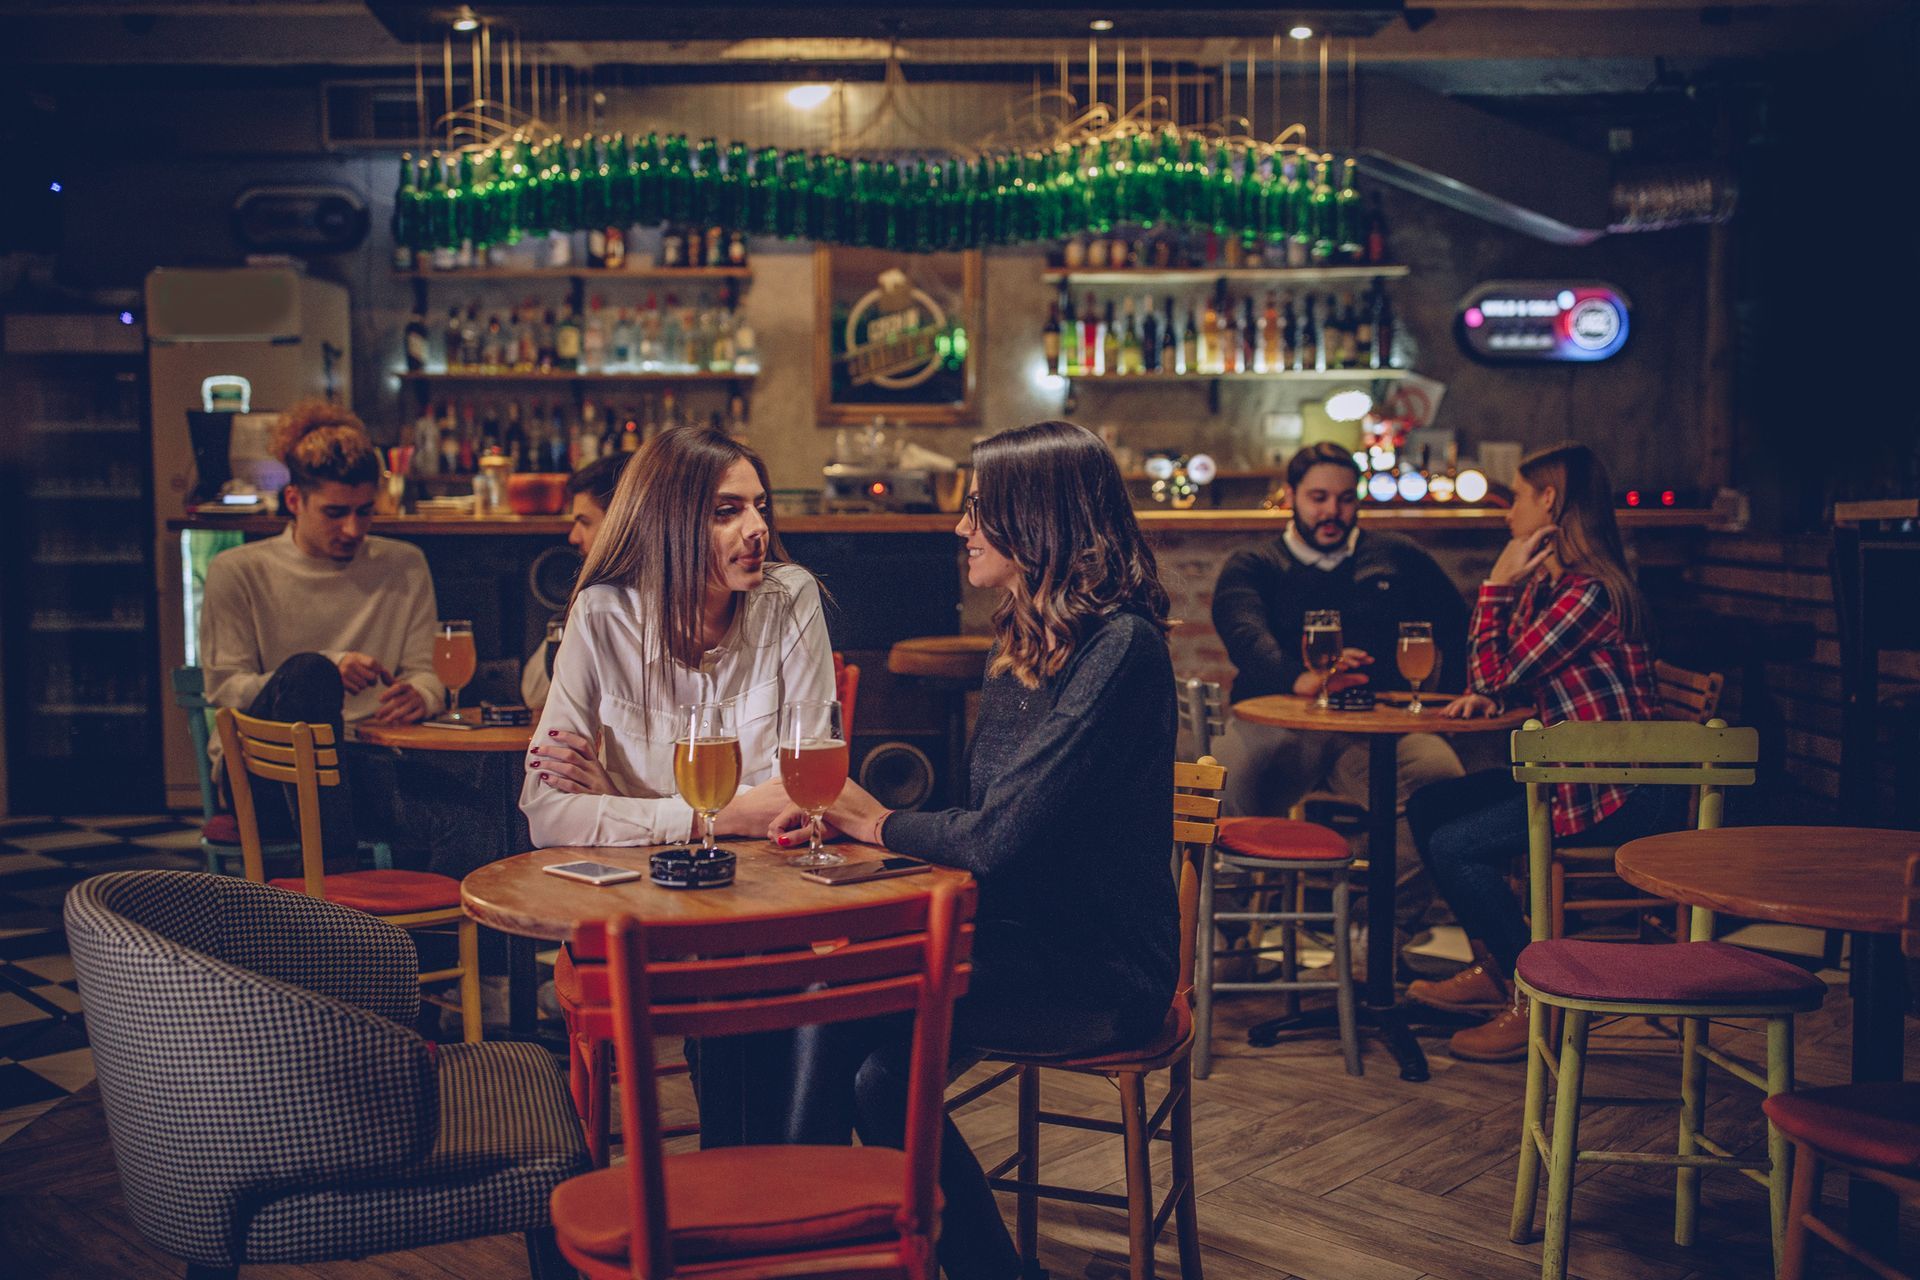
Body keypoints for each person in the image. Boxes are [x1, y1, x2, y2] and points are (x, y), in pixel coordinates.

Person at [766, 420, 1178, 1280]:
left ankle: (789, 1240)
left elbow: (995, 837)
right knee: (875, 1067)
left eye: (980, 510)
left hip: (1098, 967)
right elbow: (991, 820)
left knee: (831, 998)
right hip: (1009, 940)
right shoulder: (1025, 641)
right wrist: (848, 830)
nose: (961, 528)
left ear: (1041, 520)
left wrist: (874, 822)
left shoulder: (1121, 649)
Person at [1405, 441, 1683, 1062]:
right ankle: (1497, 973)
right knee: (1429, 807)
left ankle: (1532, 1000)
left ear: (1550, 500)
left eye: (1519, 495)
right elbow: (1490, 678)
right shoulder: (1554, 589)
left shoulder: (1588, 594)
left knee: (1457, 845)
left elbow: (1495, 675)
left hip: (1621, 790)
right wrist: (1488, 683)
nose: (1509, 511)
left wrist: (1497, 583)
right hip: (1574, 772)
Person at [1211, 441, 1470, 949]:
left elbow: (1461, 626)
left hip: (1376, 727)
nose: (1332, 511)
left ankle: (1376, 936)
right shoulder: (1255, 562)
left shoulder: (1397, 557)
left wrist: (1454, 692)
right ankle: (1232, 938)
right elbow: (1243, 632)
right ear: (1291, 496)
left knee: (1442, 786)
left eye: (1346, 499)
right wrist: (1300, 678)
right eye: (1319, 498)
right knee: (1222, 782)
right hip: (1281, 721)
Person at [521, 425, 832, 849]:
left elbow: (801, 798)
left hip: (767, 879)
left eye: (760, 507)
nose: (758, 527)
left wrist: (618, 804)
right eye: (727, 511)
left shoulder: (791, 596)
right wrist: (733, 815)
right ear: (666, 523)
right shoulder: (601, 615)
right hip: (639, 892)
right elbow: (547, 816)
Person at [199, 400, 445, 867]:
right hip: (260, 772)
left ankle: (448, 934)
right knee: (311, 672)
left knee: (472, 802)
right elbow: (226, 689)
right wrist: (329, 668)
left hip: (366, 763)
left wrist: (423, 695)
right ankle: (339, 881)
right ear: (294, 501)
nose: (353, 529)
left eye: (365, 512)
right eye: (335, 513)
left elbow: (426, 673)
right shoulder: (238, 571)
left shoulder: (403, 564)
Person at [519, 453, 625, 710]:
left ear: (622, 522)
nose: (573, 537)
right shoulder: (594, 599)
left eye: (584, 522)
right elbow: (534, 692)